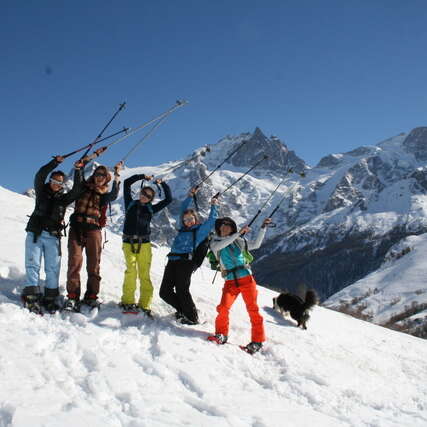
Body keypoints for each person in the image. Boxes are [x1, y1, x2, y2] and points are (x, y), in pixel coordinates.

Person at [22, 155, 85, 314]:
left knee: (52, 268)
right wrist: (54, 162)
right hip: (35, 233)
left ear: (63, 185)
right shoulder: (41, 191)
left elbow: (78, 190)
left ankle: (50, 297)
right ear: (50, 180)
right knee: (33, 264)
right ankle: (32, 296)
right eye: (54, 181)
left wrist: (78, 170)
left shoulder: (63, 199)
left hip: (53, 236)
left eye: (60, 182)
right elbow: (39, 175)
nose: (56, 184)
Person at [64, 150, 122, 311]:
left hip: (94, 230)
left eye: (103, 175)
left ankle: (91, 296)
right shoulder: (82, 187)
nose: (99, 177)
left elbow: (114, 194)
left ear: (106, 179)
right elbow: (79, 171)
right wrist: (86, 161)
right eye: (97, 174)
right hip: (76, 228)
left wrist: (117, 174)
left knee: (93, 264)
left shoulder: (104, 195)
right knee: (74, 262)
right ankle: (72, 296)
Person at [207, 216, 272, 354]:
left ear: (232, 229)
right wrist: (238, 233)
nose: (224, 227)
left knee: (253, 310)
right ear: (218, 228)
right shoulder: (214, 242)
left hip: (246, 278)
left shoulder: (238, 241)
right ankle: (221, 334)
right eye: (222, 225)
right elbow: (220, 246)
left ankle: (257, 341)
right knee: (223, 308)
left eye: (228, 226)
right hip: (230, 281)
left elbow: (256, 245)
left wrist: (263, 228)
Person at [159, 187, 219, 324]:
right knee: (164, 292)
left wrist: (214, 205)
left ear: (196, 219)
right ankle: (184, 311)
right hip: (172, 260)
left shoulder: (199, 231)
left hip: (186, 262)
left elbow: (212, 220)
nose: (188, 221)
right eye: (186, 219)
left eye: (191, 219)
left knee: (182, 290)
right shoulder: (182, 228)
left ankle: (192, 318)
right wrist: (189, 196)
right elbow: (182, 210)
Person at [120, 174, 172, 315]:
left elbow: (168, 199)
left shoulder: (151, 209)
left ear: (151, 199)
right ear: (140, 192)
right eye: (144, 193)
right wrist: (142, 176)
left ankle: (145, 304)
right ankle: (128, 302)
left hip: (144, 244)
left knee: (144, 274)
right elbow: (126, 183)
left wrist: (163, 184)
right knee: (131, 271)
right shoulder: (130, 203)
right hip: (128, 242)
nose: (145, 197)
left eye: (148, 196)